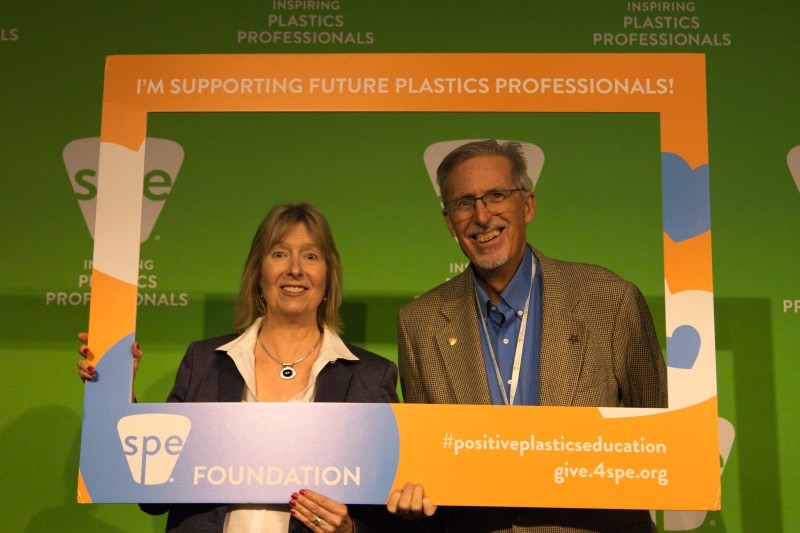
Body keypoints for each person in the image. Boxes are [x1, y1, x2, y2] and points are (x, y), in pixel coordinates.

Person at [386, 140, 668, 532]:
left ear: (528, 205)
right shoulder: (419, 323)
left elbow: (657, 441)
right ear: (449, 222)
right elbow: (427, 462)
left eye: (496, 196)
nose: (482, 216)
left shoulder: (610, 301)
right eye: (465, 203)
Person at [78, 203, 409, 533]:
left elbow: (387, 516)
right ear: (258, 273)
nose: (295, 269)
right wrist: (116, 388)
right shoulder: (203, 361)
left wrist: (349, 530)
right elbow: (152, 493)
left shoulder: (370, 376)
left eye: (310, 256)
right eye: (279, 254)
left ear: (328, 277)